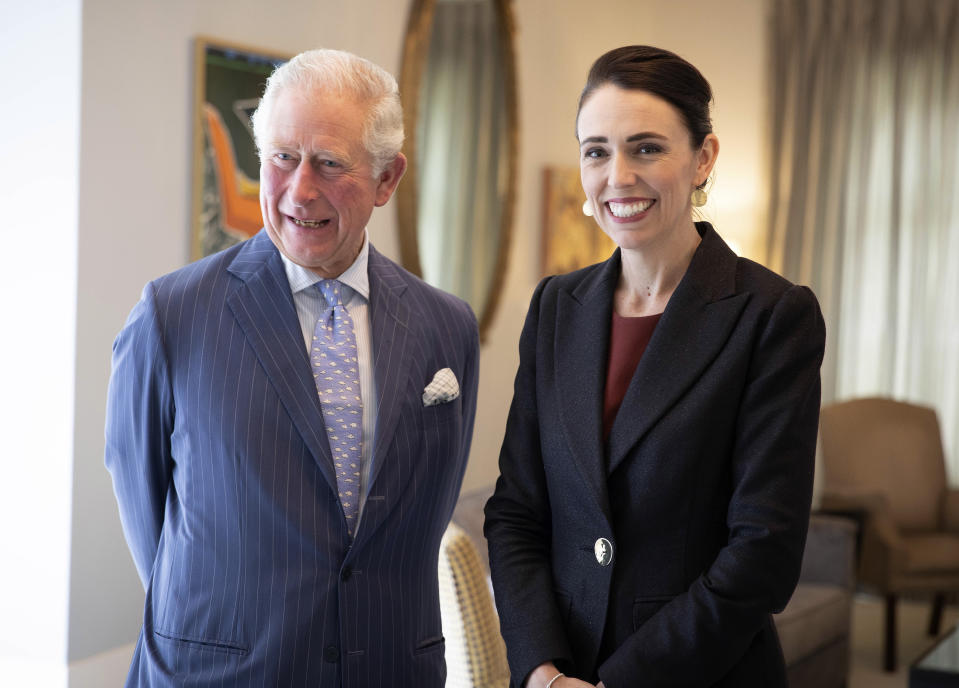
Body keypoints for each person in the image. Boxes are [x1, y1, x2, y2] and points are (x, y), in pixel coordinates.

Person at [105, 48, 479, 687]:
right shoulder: (173, 314)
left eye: (330, 164)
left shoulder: (447, 327)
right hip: (220, 673)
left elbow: (422, 512)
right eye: (282, 157)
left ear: (388, 179)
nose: (300, 190)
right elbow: (149, 518)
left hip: (389, 668)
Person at [483, 45, 826, 688]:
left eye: (646, 148)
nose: (617, 176)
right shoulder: (556, 305)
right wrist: (542, 671)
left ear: (704, 158)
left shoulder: (774, 316)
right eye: (596, 150)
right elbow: (516, 513)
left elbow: (763, 554)